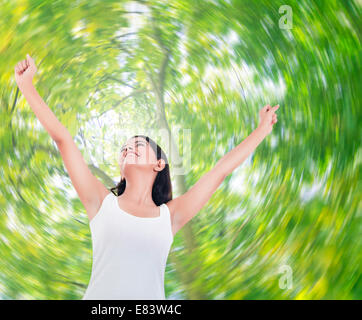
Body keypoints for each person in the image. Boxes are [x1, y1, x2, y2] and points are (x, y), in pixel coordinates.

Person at [14, 54, 279, 299]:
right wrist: (27, 86)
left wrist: (261, 132)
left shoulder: (170, 217)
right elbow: (63, 139)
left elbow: (219, 171)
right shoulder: (100, 202)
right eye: (124, 149)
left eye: (138, 145)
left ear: (159, 164)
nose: (128, 149)